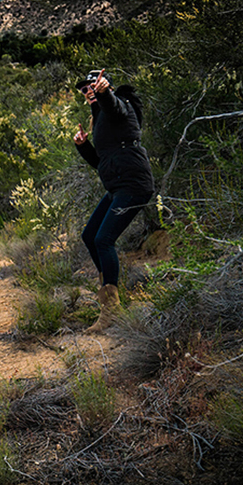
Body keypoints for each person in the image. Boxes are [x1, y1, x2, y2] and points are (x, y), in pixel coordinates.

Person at [73, 69, 154, 332]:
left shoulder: (120, 106)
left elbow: (114, 107)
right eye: (84, 89)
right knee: (90, 236)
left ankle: (111, 309)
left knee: (103, 240)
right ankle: (109, 293)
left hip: (134, 185)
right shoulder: (100, 121)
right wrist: (85, 146)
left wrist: (105, 92)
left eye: (91, 87)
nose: (87, 92)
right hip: (117, 187)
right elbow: (101, 163)